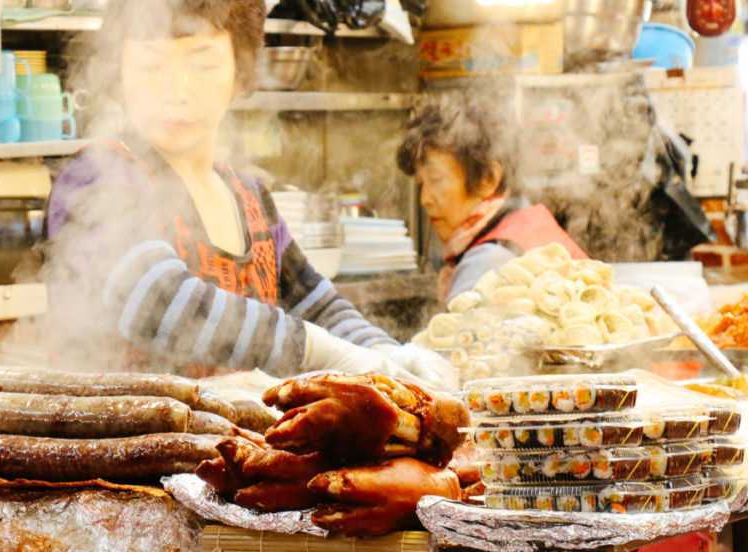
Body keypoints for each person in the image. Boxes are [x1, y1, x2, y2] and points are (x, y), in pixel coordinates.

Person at [42, 0, 453, 386]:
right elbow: (158, 301)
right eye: (151, 66)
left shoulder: (249, 194)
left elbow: (315, 303)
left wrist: (382, 350)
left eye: (203, 64)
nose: (177, 89)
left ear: (240, 74)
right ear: (120, 74)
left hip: (240, 454)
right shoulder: (96, 178)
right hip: (120, 455)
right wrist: (316, 351)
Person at [397, 99, 588, 304]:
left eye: (436, 180)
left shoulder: (488, 262)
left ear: (488, 178)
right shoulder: (523, 215)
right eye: (420, 184)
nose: (425, 199)